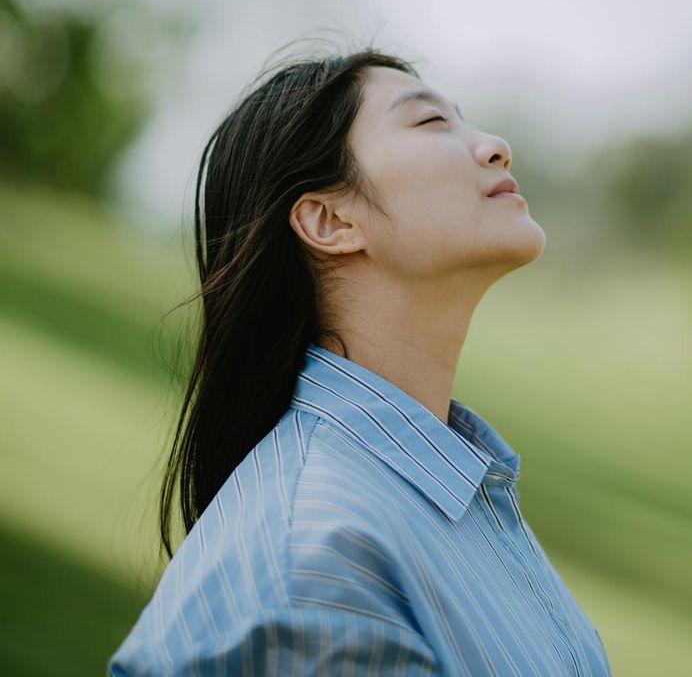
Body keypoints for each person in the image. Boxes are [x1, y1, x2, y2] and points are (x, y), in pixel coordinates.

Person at [109, 45, 614, 675]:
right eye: (433, 123)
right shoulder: (318, 573)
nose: (494, 144)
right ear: (328, 220)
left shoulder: (446, 489)